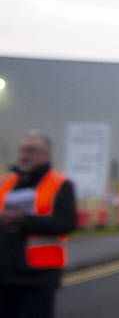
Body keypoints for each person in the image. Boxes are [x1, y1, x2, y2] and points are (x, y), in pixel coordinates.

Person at [0, 131, 77, 318]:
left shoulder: (60, 184)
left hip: (38, 276)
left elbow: (66, 223)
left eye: (32, 150)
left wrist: (25, 220)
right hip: (4, 274)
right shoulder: (6, 183)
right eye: (23, 150)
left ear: (46, 155)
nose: (25, 155)